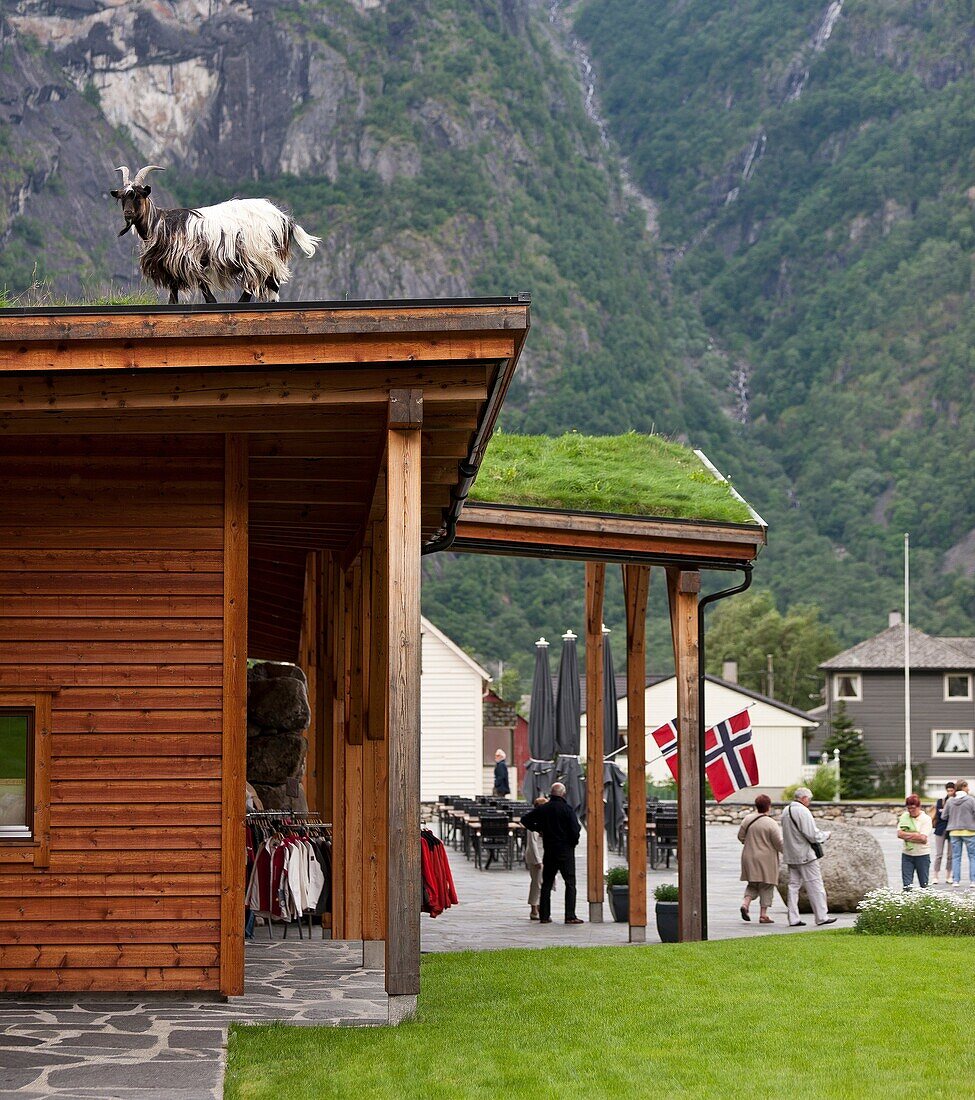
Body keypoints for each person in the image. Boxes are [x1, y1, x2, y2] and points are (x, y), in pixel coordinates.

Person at [521, 781, 582, 924]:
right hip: (565, 851)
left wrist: (539, 829)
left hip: (549, 850)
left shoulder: (544, 809)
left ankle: (544, 915)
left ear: (551, 793)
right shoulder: (567, 809)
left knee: (546, 884)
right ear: (563, 793)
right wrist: (573, 843)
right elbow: (575, 829)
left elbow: (525, 820)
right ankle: (570, 915)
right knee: (570, 883)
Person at [780, 786, 836, 928]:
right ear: (804, 798)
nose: (809, 802)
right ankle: (821, 916)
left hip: (791, 855)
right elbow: (812, 834)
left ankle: (793, 918)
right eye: (809, 799)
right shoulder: (803, 811)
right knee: (815, 885)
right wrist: (826, 835)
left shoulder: (786, 811)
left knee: (793, 886)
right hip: (805, 855)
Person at [738, 793, 783, 924]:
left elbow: (740, 837)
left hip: (748, 856)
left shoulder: (747, 819)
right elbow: (778, 843)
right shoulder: (771, 823)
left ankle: (745, 904)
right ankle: (763, 915)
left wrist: (751, 843)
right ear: (769, 806)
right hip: (766, 859)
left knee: (752, 884)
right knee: (766, 885)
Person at [941, 778, 975, 888]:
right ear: (964, 787)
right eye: (967, 786)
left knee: (956, 857)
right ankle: (973, 881)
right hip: (969, 831)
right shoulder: (971, 800)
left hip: (954, 832)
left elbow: (943, 816)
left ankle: (956, 880)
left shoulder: (950, 801)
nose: (969, 788)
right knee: (972, 857)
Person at [897, 793, 932, 890]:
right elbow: (899, 834)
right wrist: (915, 835)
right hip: (907, 854)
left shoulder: (926, 819)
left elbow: (923, 838)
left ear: (919, 807)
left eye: (913, 808)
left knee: (924, 884)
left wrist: (907, 835)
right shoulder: (905, 817)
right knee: (907, 885)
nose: (911, 811)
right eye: (909, 808)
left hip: (922, 854)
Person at [524, 796, 547, 920]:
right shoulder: (534, 822)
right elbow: (532, 843)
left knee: (543, 883)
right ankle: (534, 908)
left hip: (544, 854)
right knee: (536, 883)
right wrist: (538, 860)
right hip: (536, 855)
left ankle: (539, 906)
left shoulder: (545, 820)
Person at [932, 781, 955, 884]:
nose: (950, 792)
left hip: (952, 830)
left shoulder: (955, 801)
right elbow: (939, 815)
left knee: (950, 855)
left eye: (951, 790)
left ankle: (948, 875)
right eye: (948, 790)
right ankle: (935, 875)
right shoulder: (941, 801)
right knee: (939, 854)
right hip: (940, 829)